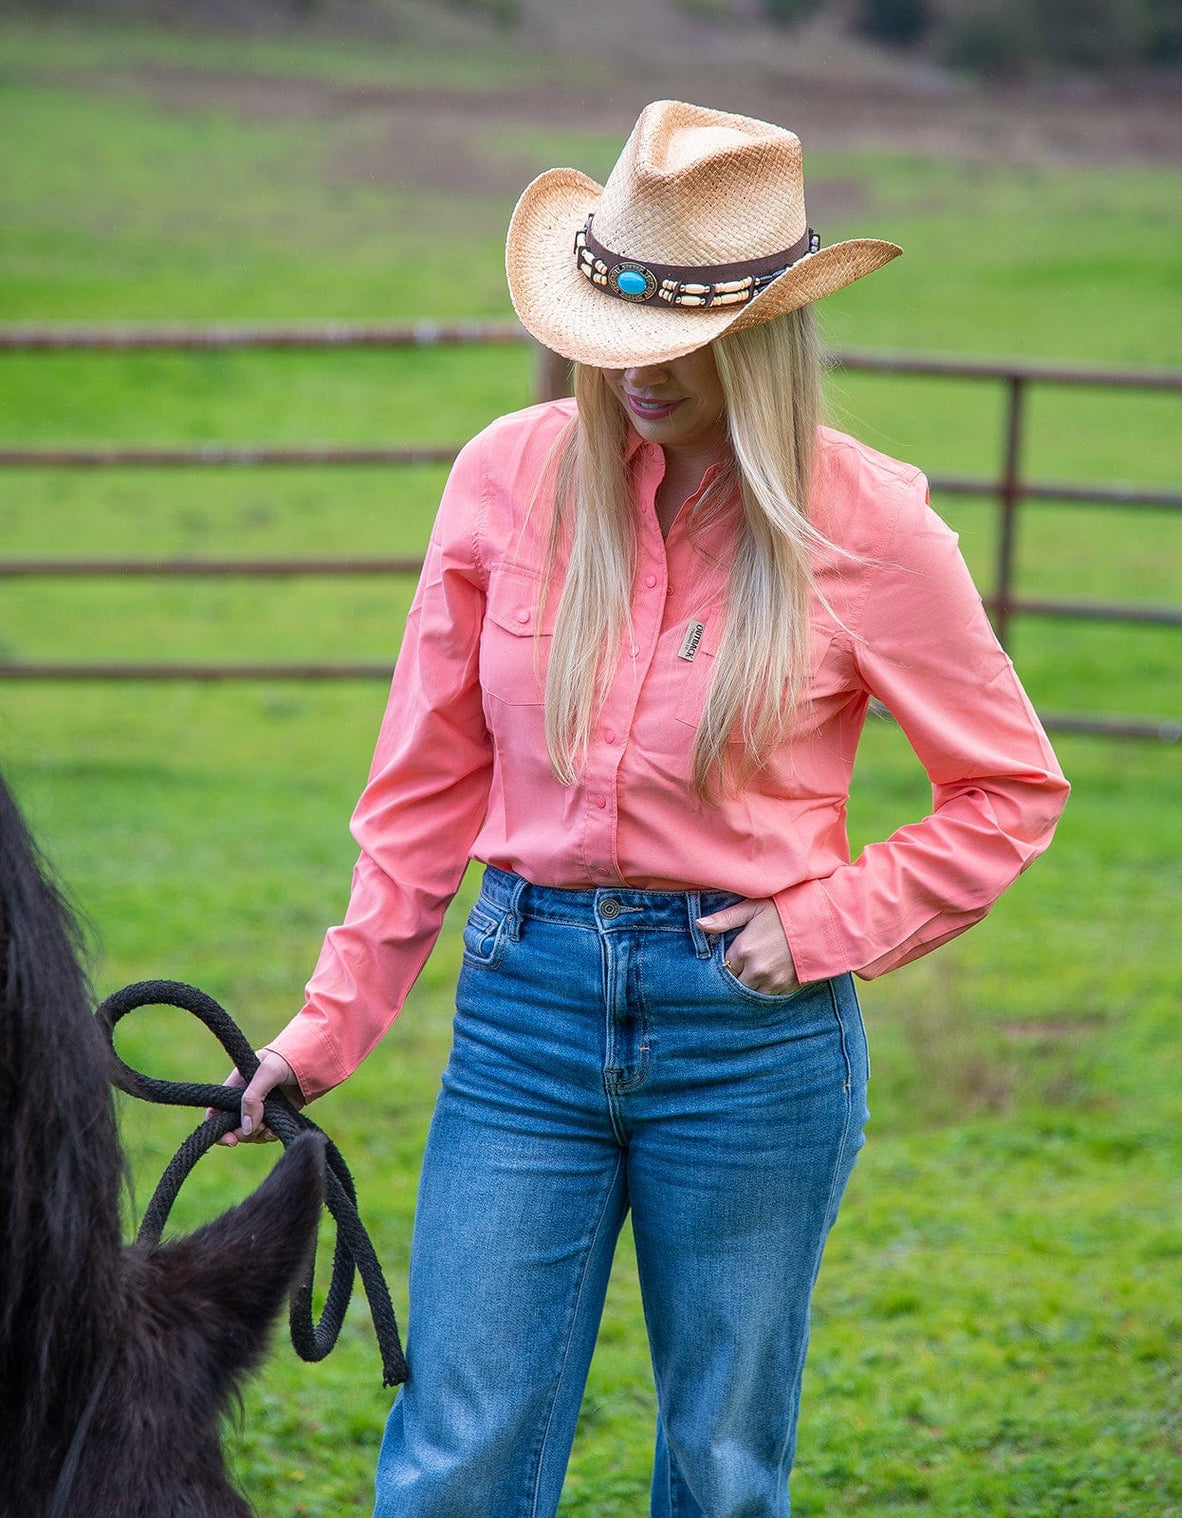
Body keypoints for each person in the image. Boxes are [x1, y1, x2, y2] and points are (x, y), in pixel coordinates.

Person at [222, 100, 1069, 1518]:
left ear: (764, 337)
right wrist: (327, 1024)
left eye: (682, 339)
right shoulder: (506, 477)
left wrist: (822, 925)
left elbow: (1007, 788)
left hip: (751, 1042)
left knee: (720, 1464)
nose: (636, 372)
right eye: (614, 331)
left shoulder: (865, 524)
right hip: (523, 1015)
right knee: (457, 1455)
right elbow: (424, 785)